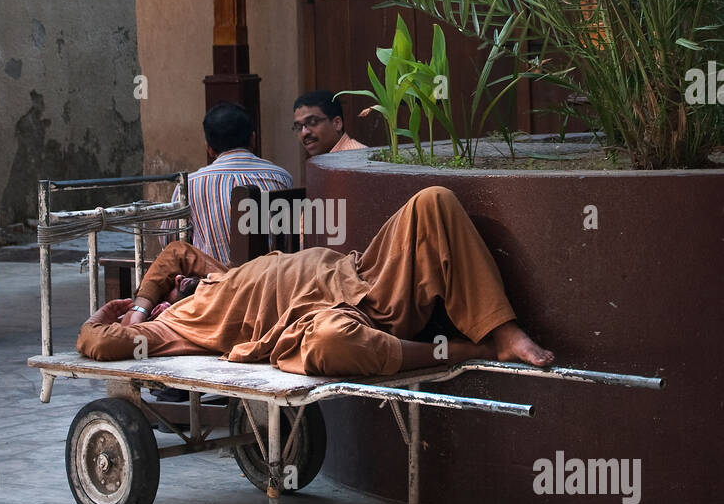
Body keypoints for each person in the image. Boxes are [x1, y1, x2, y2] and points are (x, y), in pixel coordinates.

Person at [78, 185, 554, 378]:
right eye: (174, 289)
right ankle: (469, 350)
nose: (180, 284)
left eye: (178, 285)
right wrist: (134, 315)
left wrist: (139, 300)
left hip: (364, 274)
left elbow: (174, 253)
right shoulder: (176, 327)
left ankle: (504, 331)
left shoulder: (216, 277)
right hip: (332, 320)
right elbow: (96, 343)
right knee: (330, 343)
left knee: (433, 201)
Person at [165, 102, 292, 268]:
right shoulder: (281, 177)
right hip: (273, 281)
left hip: (216, 284)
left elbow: (170, 240)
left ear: (209, 148)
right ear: (253, 139)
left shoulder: (189, 184)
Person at [292, 91, 366, 157]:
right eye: (298, 127)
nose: (304, 133)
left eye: (312, 122)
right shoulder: (323, 160)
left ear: (337, 123)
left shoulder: (358, 159)